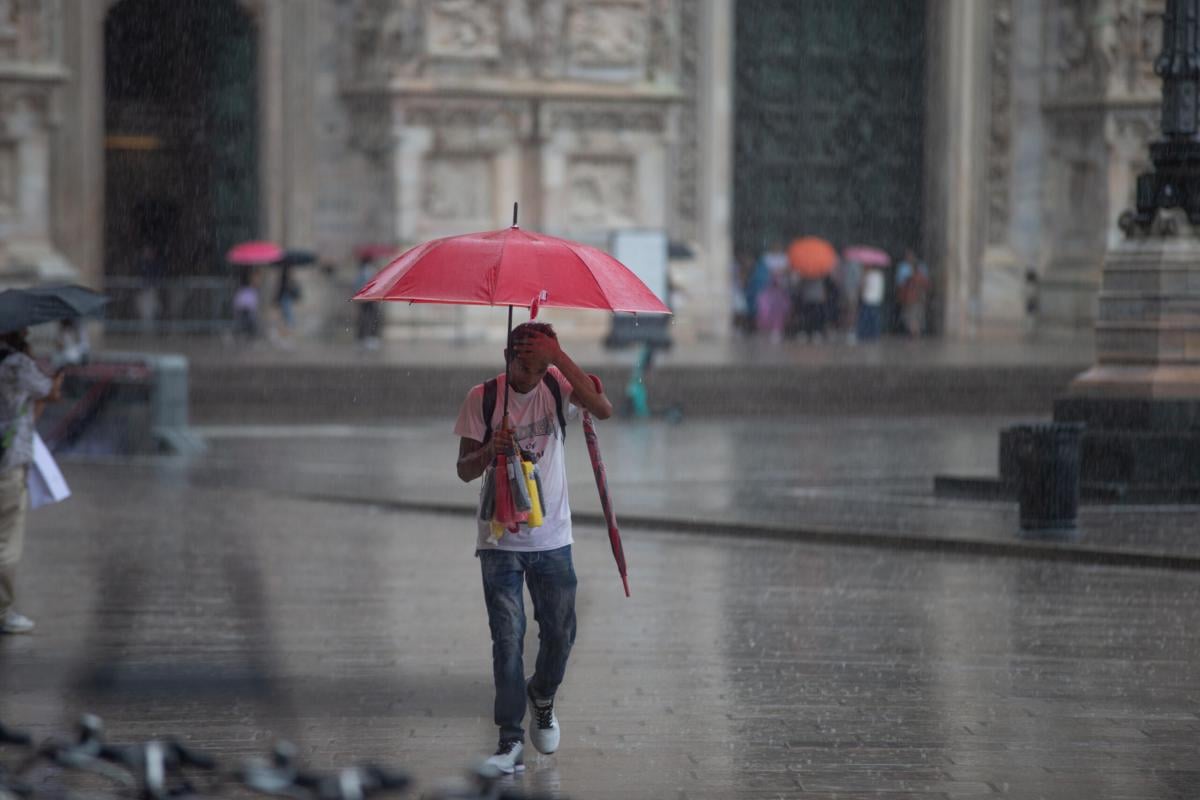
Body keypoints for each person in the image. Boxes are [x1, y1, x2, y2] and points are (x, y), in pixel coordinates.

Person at [453, 321, 612, 774]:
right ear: (508, 357)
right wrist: (490, 450)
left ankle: (541, 693)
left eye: (541, 364)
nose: (533, 373)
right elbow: (464, 470)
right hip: (499, 539)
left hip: (552, 537)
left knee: (560, 633)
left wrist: (558, 357)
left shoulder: (557, 386)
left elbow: (603, 408)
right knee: (507, 639)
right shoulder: (482, 397)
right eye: (526, 363)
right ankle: (509, 740)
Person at [0, 328, 63, 634]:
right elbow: (48, 391)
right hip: (8, 464)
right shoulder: (16, 365)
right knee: (7, 541)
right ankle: (2, 610)